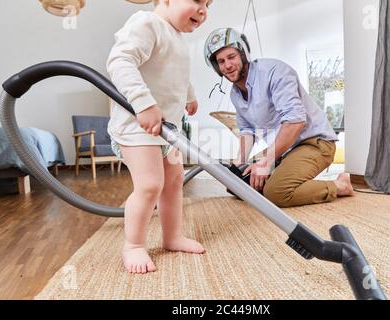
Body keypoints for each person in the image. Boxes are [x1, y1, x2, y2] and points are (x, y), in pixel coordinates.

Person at [107, 0, 212, 274]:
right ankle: (133, 245)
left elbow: (176, 71)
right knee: (150, 185)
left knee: (175, 181)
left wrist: (189, 95)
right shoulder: (146, 23)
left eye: (209, 4)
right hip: (137, 128)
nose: (204, 10)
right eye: (199, 0)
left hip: (169, 131)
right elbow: (120, 61)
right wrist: (142, 102)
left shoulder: (176, 38)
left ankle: (172, 236)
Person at [204, 28, 354, 208]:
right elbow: (247, 131)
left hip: (315, 143)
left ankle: (340, 186)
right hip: (285, 149)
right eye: (221, 61)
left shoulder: (275, 72)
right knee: (240, 185)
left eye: (231, 57)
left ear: (243, 54)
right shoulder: (235, 94)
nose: (227, 65)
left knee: (276, 193)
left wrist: (266, 161)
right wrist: (238, 166)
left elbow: (295, 122)